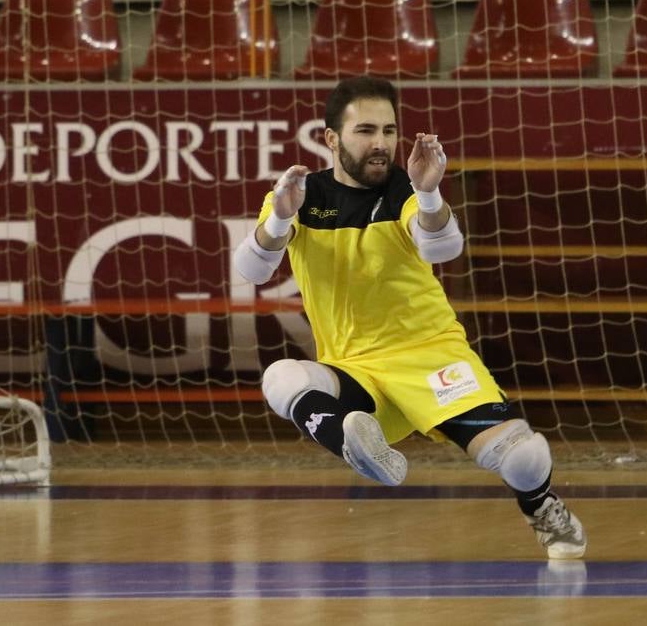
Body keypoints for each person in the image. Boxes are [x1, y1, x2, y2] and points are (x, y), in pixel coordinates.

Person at [232, 76, 586, 559]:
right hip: (357, 371)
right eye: (365, 131)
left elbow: (443, 246)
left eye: (389, 130)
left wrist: (430, 192)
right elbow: (252, 268)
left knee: (526, 457)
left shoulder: (405, 190)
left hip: (430, 359)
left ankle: (542, 505)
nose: (381, 143)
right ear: (332, 138)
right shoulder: (300, 195)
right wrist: (278, 218)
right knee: (281, 377)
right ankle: (357, 444)